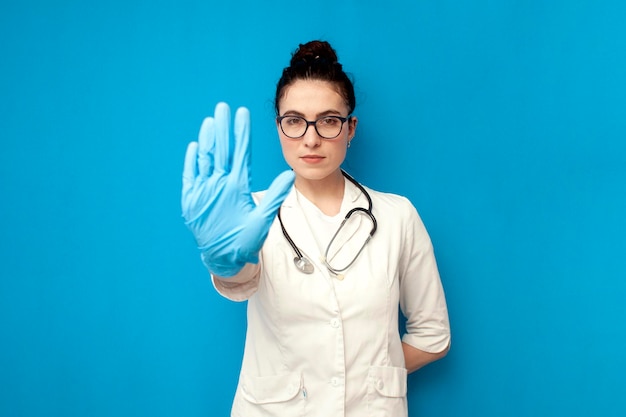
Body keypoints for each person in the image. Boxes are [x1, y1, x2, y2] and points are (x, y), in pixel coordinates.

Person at [181, 40, 451, 417]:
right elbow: (243, 280)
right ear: (278, 126)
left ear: (350, 127)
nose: (310, 138)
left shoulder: (397, 216)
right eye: (294, 121)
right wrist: (226, 262)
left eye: (328, 120)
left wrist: (364, 379)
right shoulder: (250, 214)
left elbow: (433, 337)